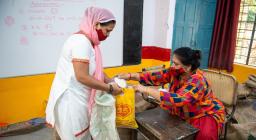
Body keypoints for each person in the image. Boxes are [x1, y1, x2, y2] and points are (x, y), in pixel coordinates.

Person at [45, 7, 122, 140]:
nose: (108, 35)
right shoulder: (81, 42)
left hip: (79, 97)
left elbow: (95, 69)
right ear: (96, 24)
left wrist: (109, 80)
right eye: (107, 30)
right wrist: (109, 88)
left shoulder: (91, 43)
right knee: (74, 136)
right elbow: (82, 76)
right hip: (70, 101)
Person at [118, 47, 225, 140]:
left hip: (202, 112)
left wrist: (146, 89)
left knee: (205, 136)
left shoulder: (198, 81)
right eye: (172, 62)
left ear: (188, 67)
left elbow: (179, 99)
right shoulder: (175, 72)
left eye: (176, 63)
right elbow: (153, 76)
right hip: (182, 110)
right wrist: (130, 75)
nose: (172, 66)